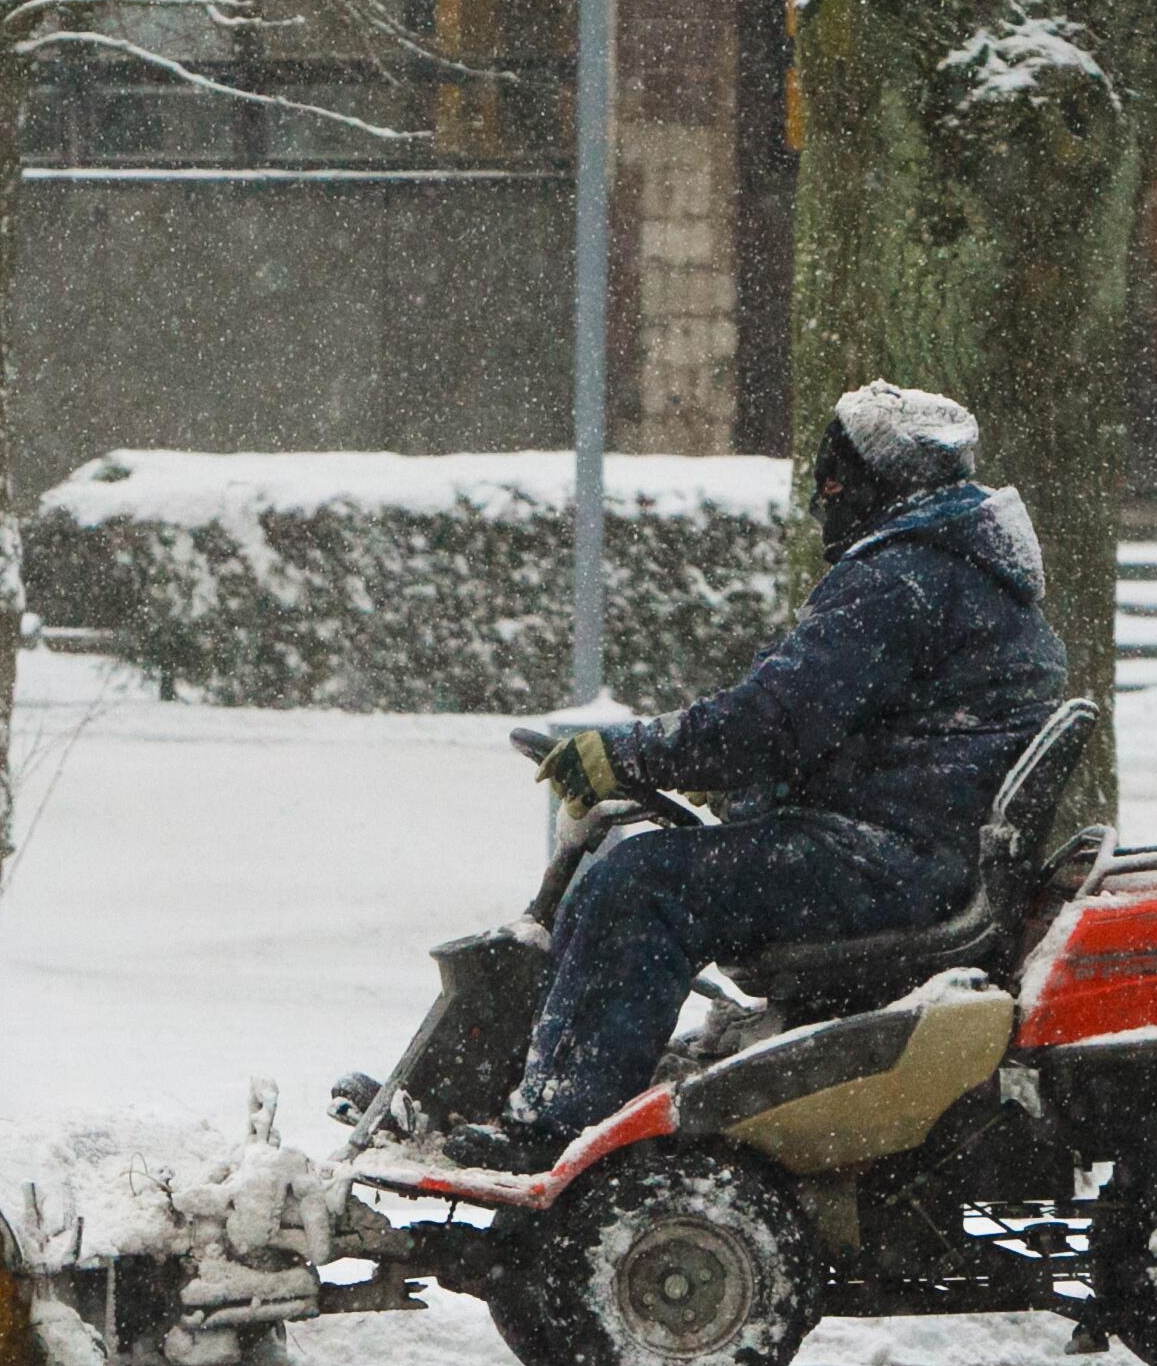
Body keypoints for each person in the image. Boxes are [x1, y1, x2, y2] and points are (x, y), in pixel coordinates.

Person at [438, 381, 1070, 1173]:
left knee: (641, 883)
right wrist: (733, 783)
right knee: (627, 867)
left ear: (881, 483)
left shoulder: (905, 578)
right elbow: (852, 731)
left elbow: (773, 718)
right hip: (910, 846)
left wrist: (629, 753)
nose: (823, 502)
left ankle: (556, 1126)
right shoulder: (955, 572)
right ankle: (544, 1092)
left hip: (891, 862)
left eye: (836, 482)